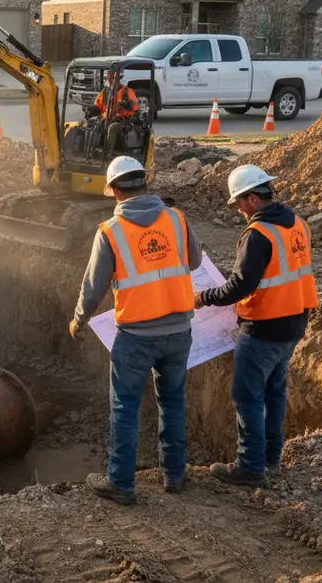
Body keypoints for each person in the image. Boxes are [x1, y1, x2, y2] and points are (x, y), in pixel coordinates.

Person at [69, 156, 202, 504]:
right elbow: (195, 261)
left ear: (114, 191)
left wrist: (79, 318)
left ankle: (121, 484)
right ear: (146, 182)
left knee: (125, 406)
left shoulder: (110, 231)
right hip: (178, 332)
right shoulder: (175, 218)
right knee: (172, 401)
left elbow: (94, 287)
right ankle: (174, 475)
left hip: (136, 336)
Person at [196, 165, 316, 487]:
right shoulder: (298, 225)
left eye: (238, 201)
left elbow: (240, 285)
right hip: (293, 325)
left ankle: (249, 467)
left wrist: (204, 297)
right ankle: (270, 462)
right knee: (274, 394)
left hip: (263, 328)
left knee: (247, 398)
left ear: (252, 198)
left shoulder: (258, 234)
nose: (237, 208)